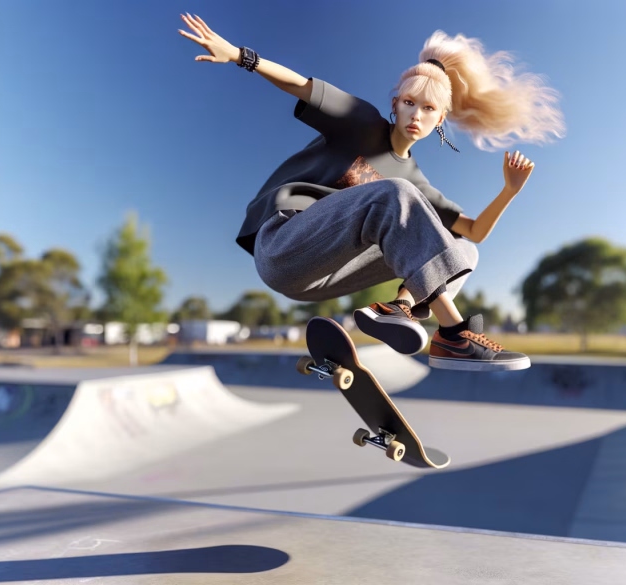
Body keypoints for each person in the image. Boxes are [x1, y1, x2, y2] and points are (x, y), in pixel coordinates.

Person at [178, 13, 565, 371]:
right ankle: (453, 335)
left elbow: (475, 231)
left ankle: (400, 307)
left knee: (462, 249)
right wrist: (240, 56)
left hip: (325, 277)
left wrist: (509, 191)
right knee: (394, 193)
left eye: (428, 109)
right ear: (395, 104)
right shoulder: (362, 122)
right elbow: (299, 85)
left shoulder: (416, 184)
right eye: (409, 103)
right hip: (284, 247)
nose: (416, 116)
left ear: (440, 119)